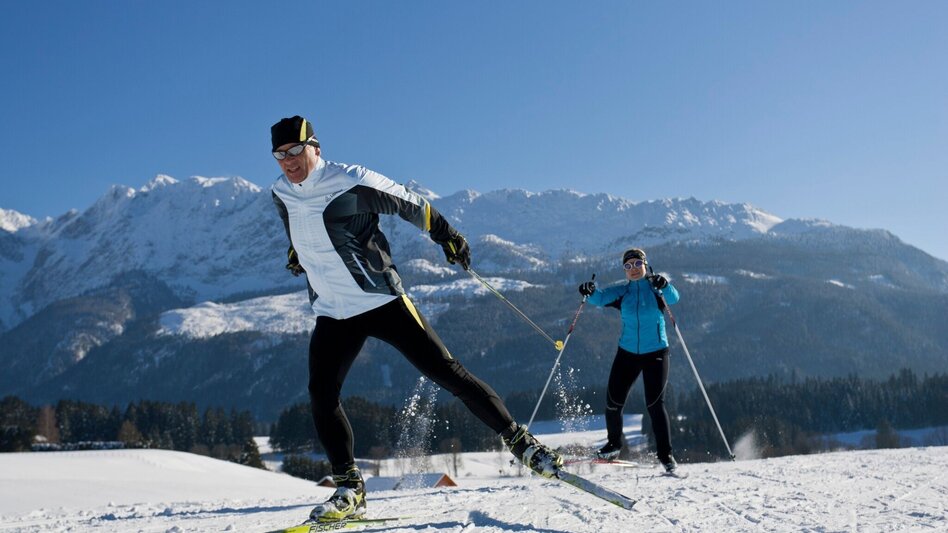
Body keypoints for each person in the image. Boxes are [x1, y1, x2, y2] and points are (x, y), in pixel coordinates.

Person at [269, 115, 562, 522]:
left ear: (316, 147)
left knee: (447, 372)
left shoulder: (351, 179)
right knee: (322, 394)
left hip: (380, 300)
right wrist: (296, 252)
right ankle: (350, 488)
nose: (289, 161)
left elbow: (411, 203)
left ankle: (523, 444)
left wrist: (447, 234)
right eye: (281, 155)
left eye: (296, 151)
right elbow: (297, 227)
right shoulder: (281, 193)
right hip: (332, 312)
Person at [577, 248, 681, 473]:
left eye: (637, 264)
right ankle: (614, 445)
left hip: (656, 353)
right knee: (613, 402)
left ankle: (666, 456)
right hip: (627, 354)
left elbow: (674, 297)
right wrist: (588, 290)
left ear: (645, 264)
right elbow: (600, 297)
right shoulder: (623, 292)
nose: (633, 269)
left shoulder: (656, 289)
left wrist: (664, 285)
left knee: (655, 405)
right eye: (628, 266)